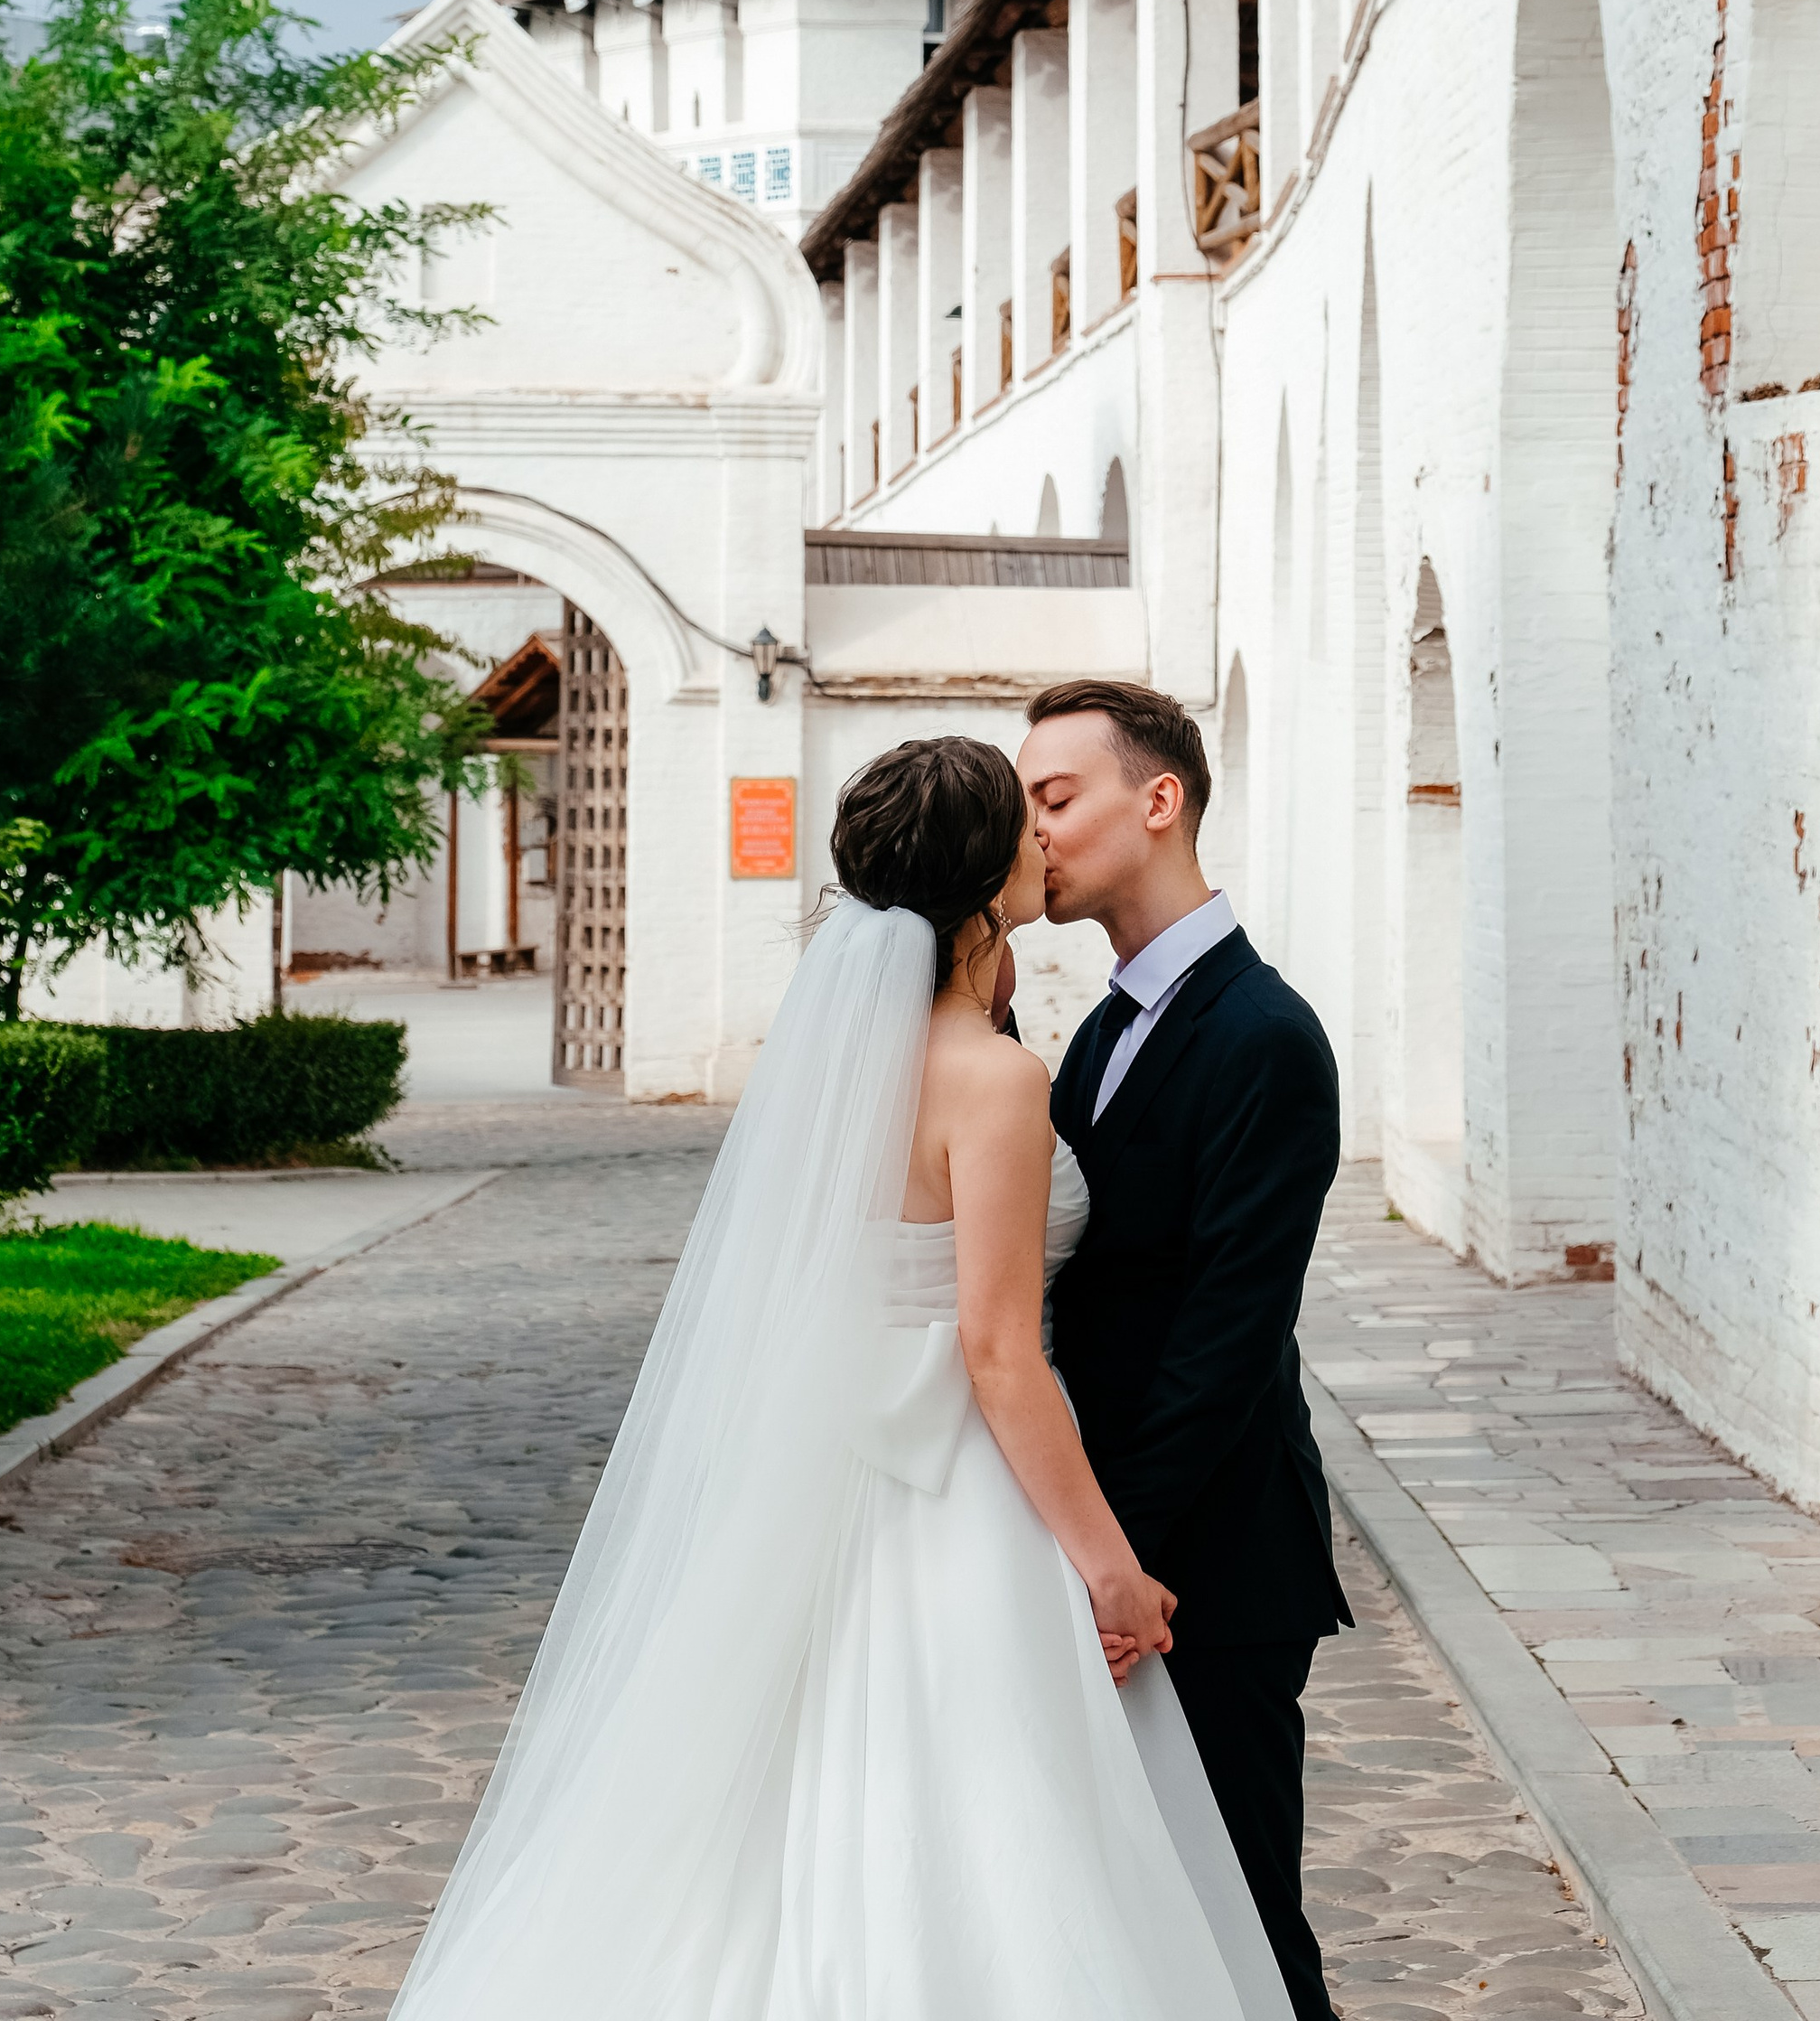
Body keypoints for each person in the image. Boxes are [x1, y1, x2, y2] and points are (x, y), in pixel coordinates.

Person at [386, 732, 1293, 2021]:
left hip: (822, 1480)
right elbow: (995, 1352)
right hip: (961, 1501)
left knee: (796, 1815)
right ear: (984, 884)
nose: (1046, 840)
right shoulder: (993, 1079)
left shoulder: (841, 1068)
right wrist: (1110, 1565)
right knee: (991, 1824)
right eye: (1023, 825)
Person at [1022, 677, 1349, 2021]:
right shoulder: (1103, 1027)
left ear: (1159, 801)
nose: (1031, 829)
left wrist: (1122, 1559)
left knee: (1246, 1929)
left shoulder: (1264, 1036)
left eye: (1056, 797)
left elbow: (1228, 1335)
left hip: (1207, 1569)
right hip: (1116, 1560)